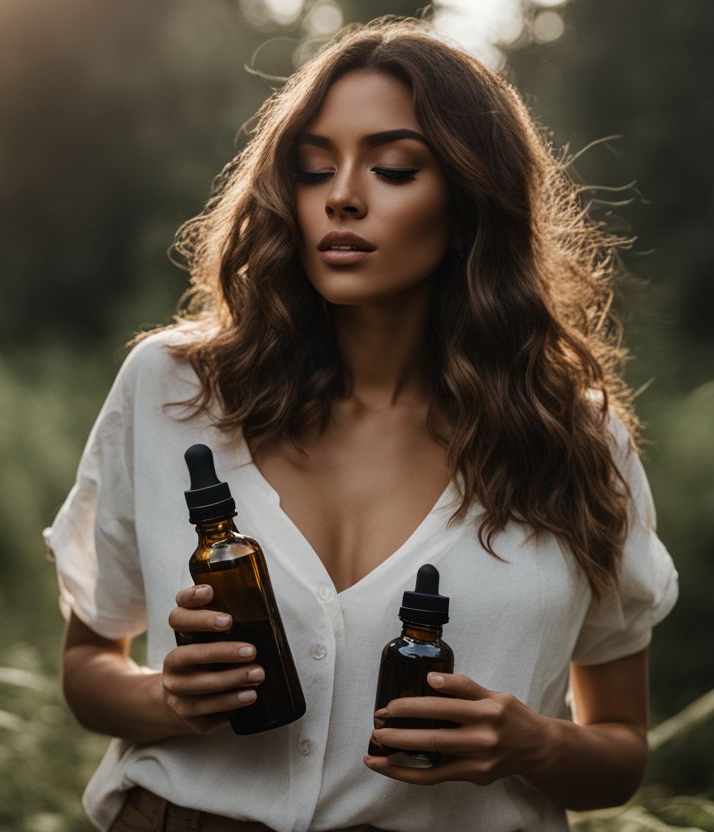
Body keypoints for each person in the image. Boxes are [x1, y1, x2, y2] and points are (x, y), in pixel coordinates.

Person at [44, 16, 679, 832]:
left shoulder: (573, 442)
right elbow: (88, 667)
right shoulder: (173, 390)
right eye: (313, 169)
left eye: (392, 168)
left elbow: (621, 751)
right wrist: (167, 697)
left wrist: (531, 743)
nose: (341, 195)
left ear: (470, 203)